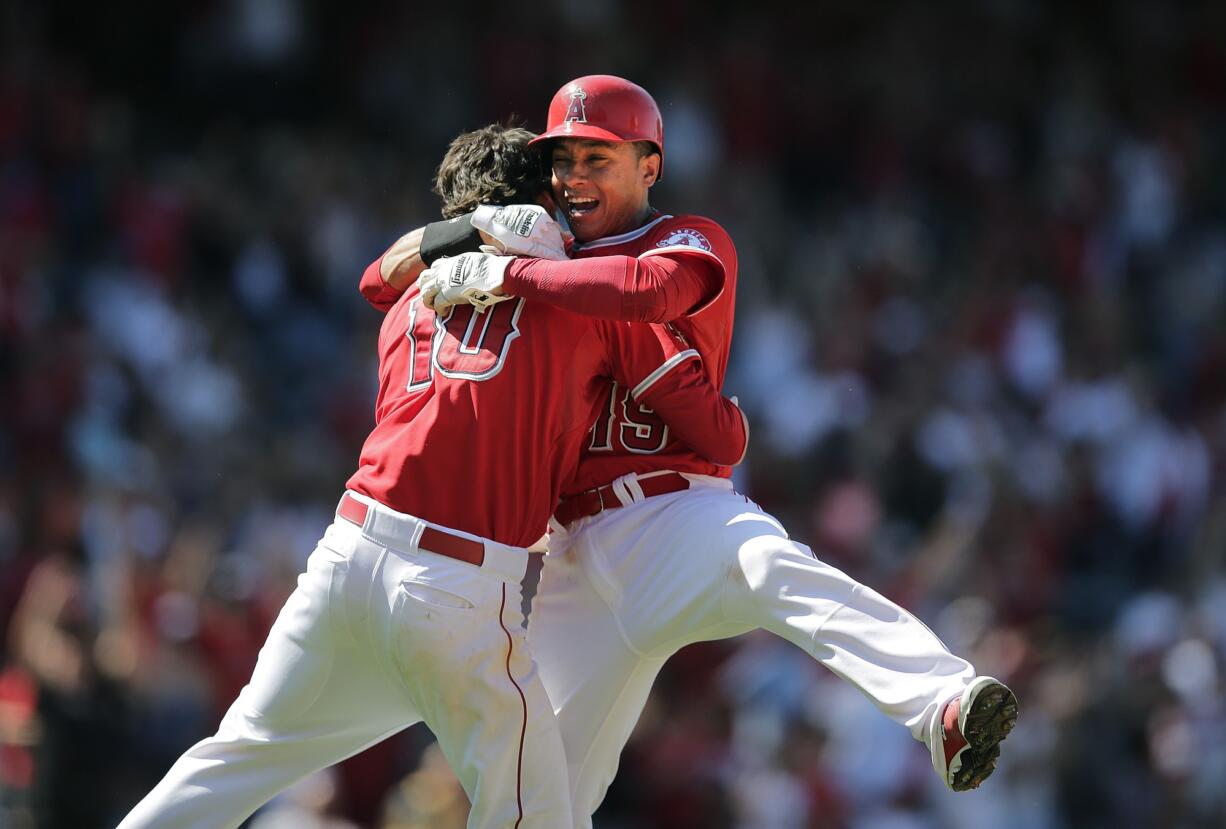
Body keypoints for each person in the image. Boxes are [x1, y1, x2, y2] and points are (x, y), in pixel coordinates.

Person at [379, 75, 1018, 826]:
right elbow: (375, 279)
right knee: (538, 797)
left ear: (649, 165)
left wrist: (512, 269)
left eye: (599, 157)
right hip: (569, 559)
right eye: (564, 160)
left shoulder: (684, 237)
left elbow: (647, 289)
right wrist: (453, 241)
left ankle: (941, 702)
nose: (575, 176)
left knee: (771, 567)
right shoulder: (534, 257)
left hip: (672, 515)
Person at [116, 123, 748, 829]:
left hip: (345, 558)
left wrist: (458, 238)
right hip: (456, 585)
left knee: (234, 758)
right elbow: (717, 428)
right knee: (540, 814)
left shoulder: (408, 301)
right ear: (538, 205)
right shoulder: (580, 306)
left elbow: (375, 279)